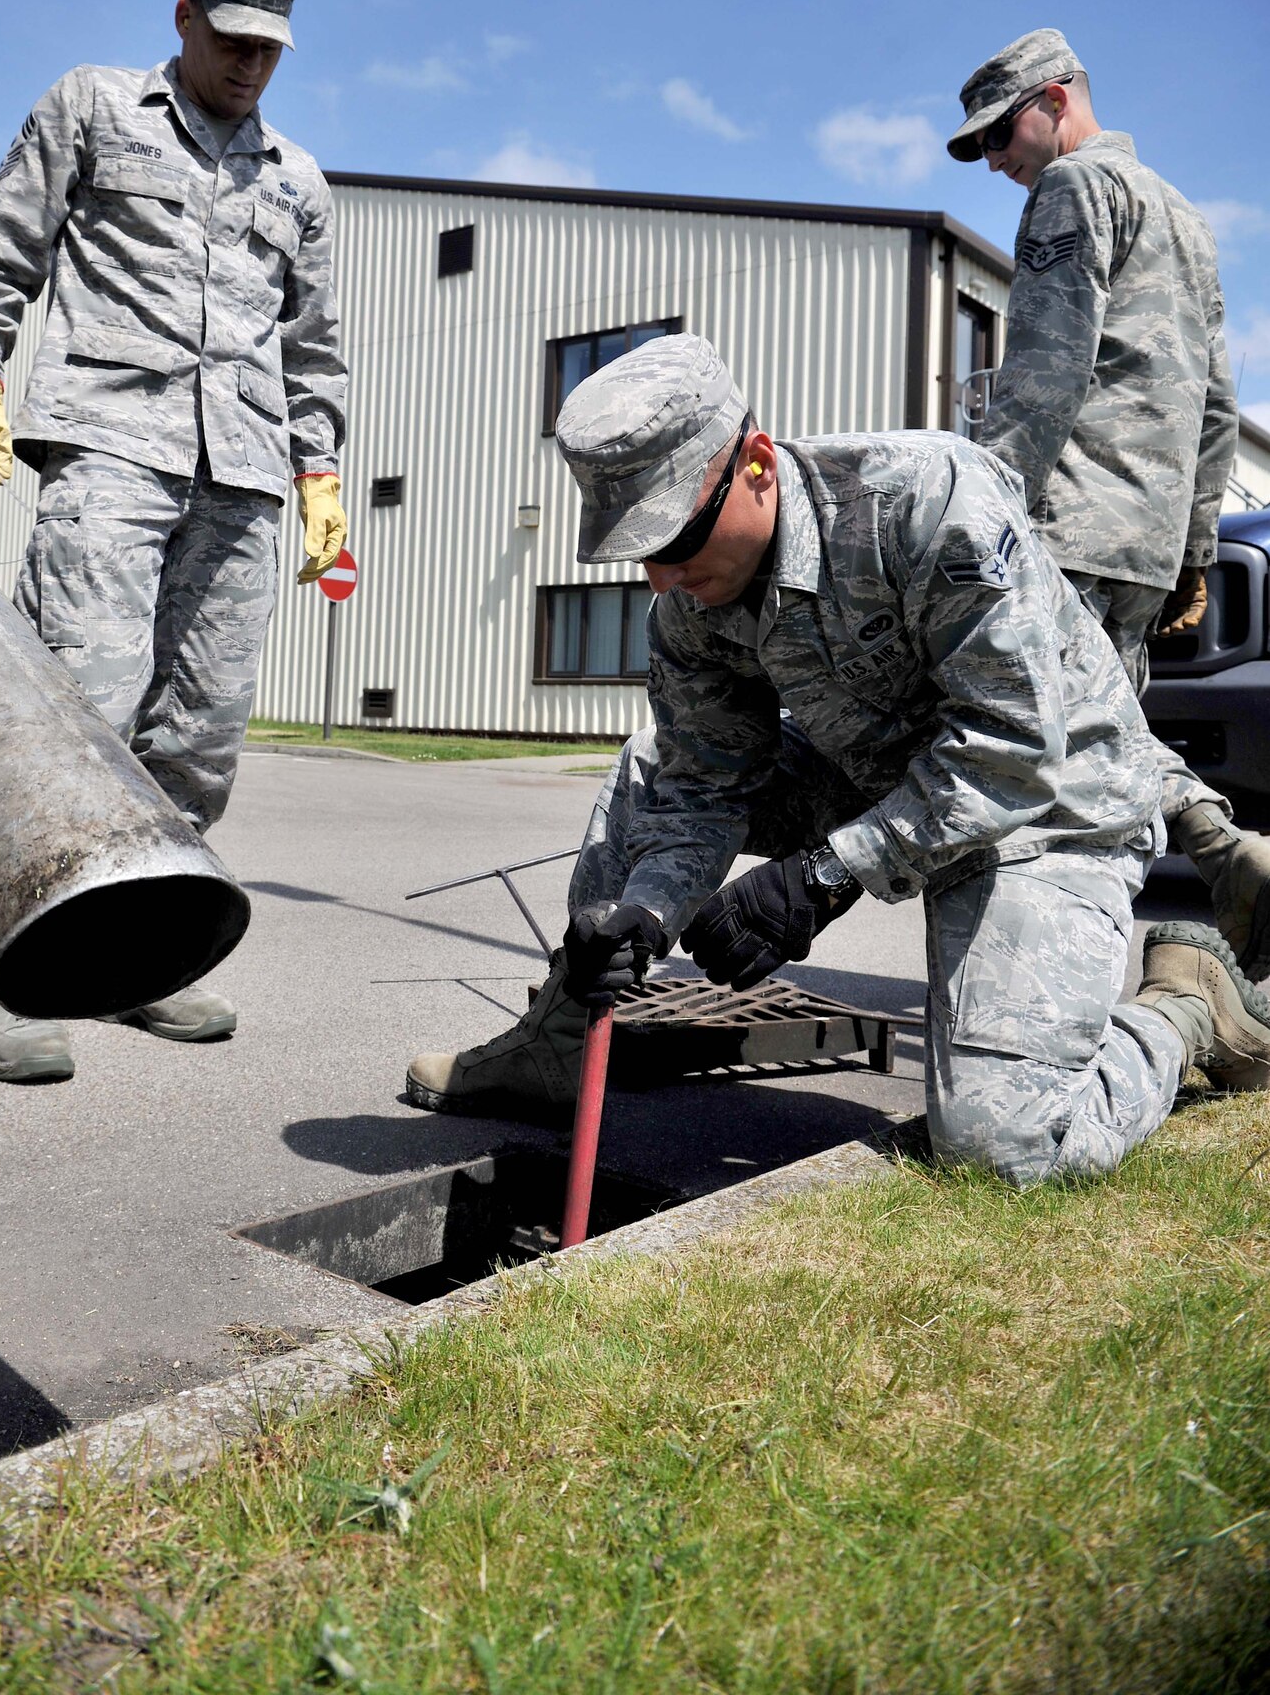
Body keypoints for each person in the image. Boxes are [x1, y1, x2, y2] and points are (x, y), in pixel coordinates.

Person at [406, 336, 1270, 1184]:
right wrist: (645, 913)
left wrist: (826, 874)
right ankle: (568, 1037)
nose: (660, 580)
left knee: (1005, 1144)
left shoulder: (927, 500)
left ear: (754, 464)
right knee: (647, 763)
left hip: (1051, 809)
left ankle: (1185, 1008)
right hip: (878, 780)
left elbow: (1011, 750)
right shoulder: (688, 605)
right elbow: (702, 783)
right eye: (640, 550)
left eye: (674, 538)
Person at [0, 0, 347, 1083]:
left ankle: (134, 958)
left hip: (245, 471)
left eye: (270, 49)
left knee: (199, 734)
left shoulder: (297, 181)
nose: (249, 65)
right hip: (112, 445)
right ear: (184, 16)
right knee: (81, 707)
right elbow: (3, 247)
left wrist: (320, 472)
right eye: (232, 39)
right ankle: (15, 966)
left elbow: (313, 349)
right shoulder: (96, 107)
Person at [947, 28, 1270, 979]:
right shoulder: (1181, 213)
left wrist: (984, 506)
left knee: (1020, 752)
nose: (996, 159)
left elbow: (1044, 373)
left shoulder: (1072, 189)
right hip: (1142, 541)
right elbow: (1217, 402)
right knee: (1103, 730)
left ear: (1054, 99)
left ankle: (1036, 988)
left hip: (1066, 524)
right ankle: (1222, 846)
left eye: (1000, 132)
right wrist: (1192, 550)